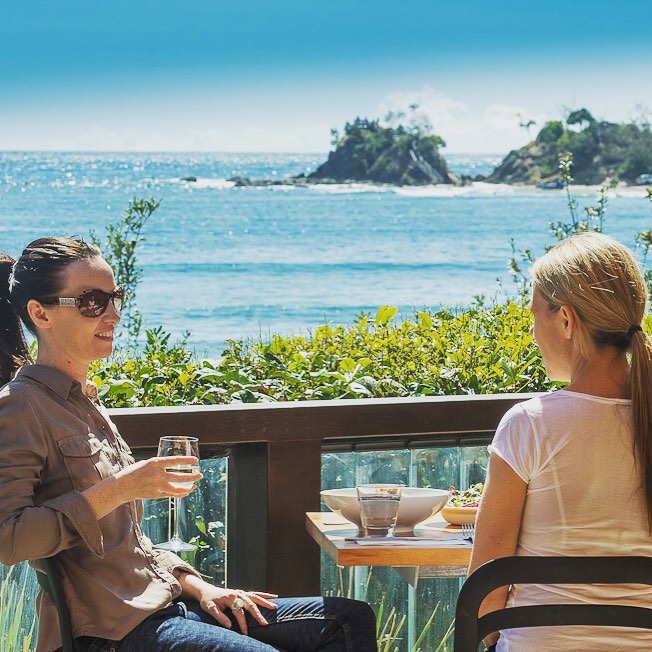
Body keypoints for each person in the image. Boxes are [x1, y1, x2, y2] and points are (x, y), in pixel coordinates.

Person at [0, 236, 378, 652]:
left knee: (344, 620)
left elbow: (132, 547)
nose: (113, 315)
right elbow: (10, 539)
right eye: (93, 302)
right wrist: (121, 488)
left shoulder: (85, 401)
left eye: (115, 298)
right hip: (111, 631)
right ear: (41, 313)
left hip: (163, 606)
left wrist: (199, 586)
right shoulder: (20, 407)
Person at [468, 232, 652, 651]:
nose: (532, 332)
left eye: (534, 316)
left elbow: (486, 601)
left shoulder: (529, 425)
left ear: (566, 320)